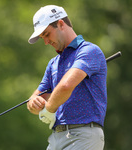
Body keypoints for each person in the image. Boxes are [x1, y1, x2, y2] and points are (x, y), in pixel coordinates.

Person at [27, 5, 107, 150]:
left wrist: (49, 109)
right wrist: (34, 103)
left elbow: (66, 86)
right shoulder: (53, 63)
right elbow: (36, 96)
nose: (46, 42)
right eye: (42, 37)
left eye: (46, 34)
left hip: (83, 135)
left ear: (61, 24)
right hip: (56, 138)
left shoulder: (89, 51)